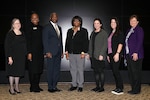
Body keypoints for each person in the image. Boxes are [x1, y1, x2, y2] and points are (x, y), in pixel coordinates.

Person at [65, 15, 89, 92]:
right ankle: (74, 84)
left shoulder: (84, 31)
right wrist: (66, 52)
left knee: (80, 70)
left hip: (80, 54)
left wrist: (83, 52)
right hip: (71, 53)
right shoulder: (69, 30)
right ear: (73, 22)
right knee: (73, 70)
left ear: (80, 22)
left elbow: (86, 42)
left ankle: (80, 85)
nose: (76, 22)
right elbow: (67, 41)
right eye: (74, 21)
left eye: (78, 21)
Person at [4, 18, 27, 95]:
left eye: (19, 23)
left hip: (20, 57)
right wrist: (9, 57)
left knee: (18, 72)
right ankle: (11, 88)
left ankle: (16, 87)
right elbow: (7, 46)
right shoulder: (10, 34)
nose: (18, 24)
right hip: (12, 56)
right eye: (16, 23)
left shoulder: (22, 33)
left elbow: (24, 45)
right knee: (12, 73)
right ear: (13, 25)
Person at [42, 12, 63, 93]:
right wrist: (47, 51)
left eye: (56, 16)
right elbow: (45, 40)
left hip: (58, 53)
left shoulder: (59, 27)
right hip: (50, 53)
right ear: (50, 18)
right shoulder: (47, 27)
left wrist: (61, 51)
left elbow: (60, 41)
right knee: (50, 70)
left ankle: (54, 86)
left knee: (56, 70)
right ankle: (50, 87)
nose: (55, 18)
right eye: (53, 16)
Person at [125, 14, 144, 94]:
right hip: (129, 55)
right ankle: (133, 88)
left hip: (136, 55)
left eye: (134, 21)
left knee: (136, 73)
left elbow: (140, 42)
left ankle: (136, 90)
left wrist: (136, 52)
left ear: (137, 22)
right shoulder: (129, 31)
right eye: (131, 21)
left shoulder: (139, 29)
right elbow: (126, 43)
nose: (132, 22)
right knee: (131, 73)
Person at [87, 18, 108, 92]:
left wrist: (102, 54)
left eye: (97, 23)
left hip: (100, 56)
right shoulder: (93, 33)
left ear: (101, 24)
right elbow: (90, 44)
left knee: (100, 71)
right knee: (95, 71)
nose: (96, 25)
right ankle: (97, 86)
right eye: (95, 23)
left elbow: (105, 45)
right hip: (93, 56)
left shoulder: (104, 33)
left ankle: (101, 88)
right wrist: (89, 54)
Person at [25, 12, 44, 92]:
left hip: (40, 53)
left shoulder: (41, 28)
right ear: (31, 19)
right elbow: (27, 41)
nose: (35, 19)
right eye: (33, 18)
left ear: (38, 19)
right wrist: (29, 53)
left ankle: (37, 85)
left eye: (36, 18)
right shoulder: (28, 28)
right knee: (32, 70)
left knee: (39, 70)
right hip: (32, 53)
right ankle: (32, 87)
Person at [107, 17, 124, 95]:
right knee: (114, 71)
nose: (112, 23)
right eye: (111, 22)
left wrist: (117, 53)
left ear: (117, 23)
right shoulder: (111, 33)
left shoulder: (119, 32)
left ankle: (120, 88)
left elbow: (120, 43)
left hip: (116, 54)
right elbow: (109, 45)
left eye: (114, 22)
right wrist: (108, 55)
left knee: (116, 71)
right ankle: (118, 87)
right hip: (111, 55)